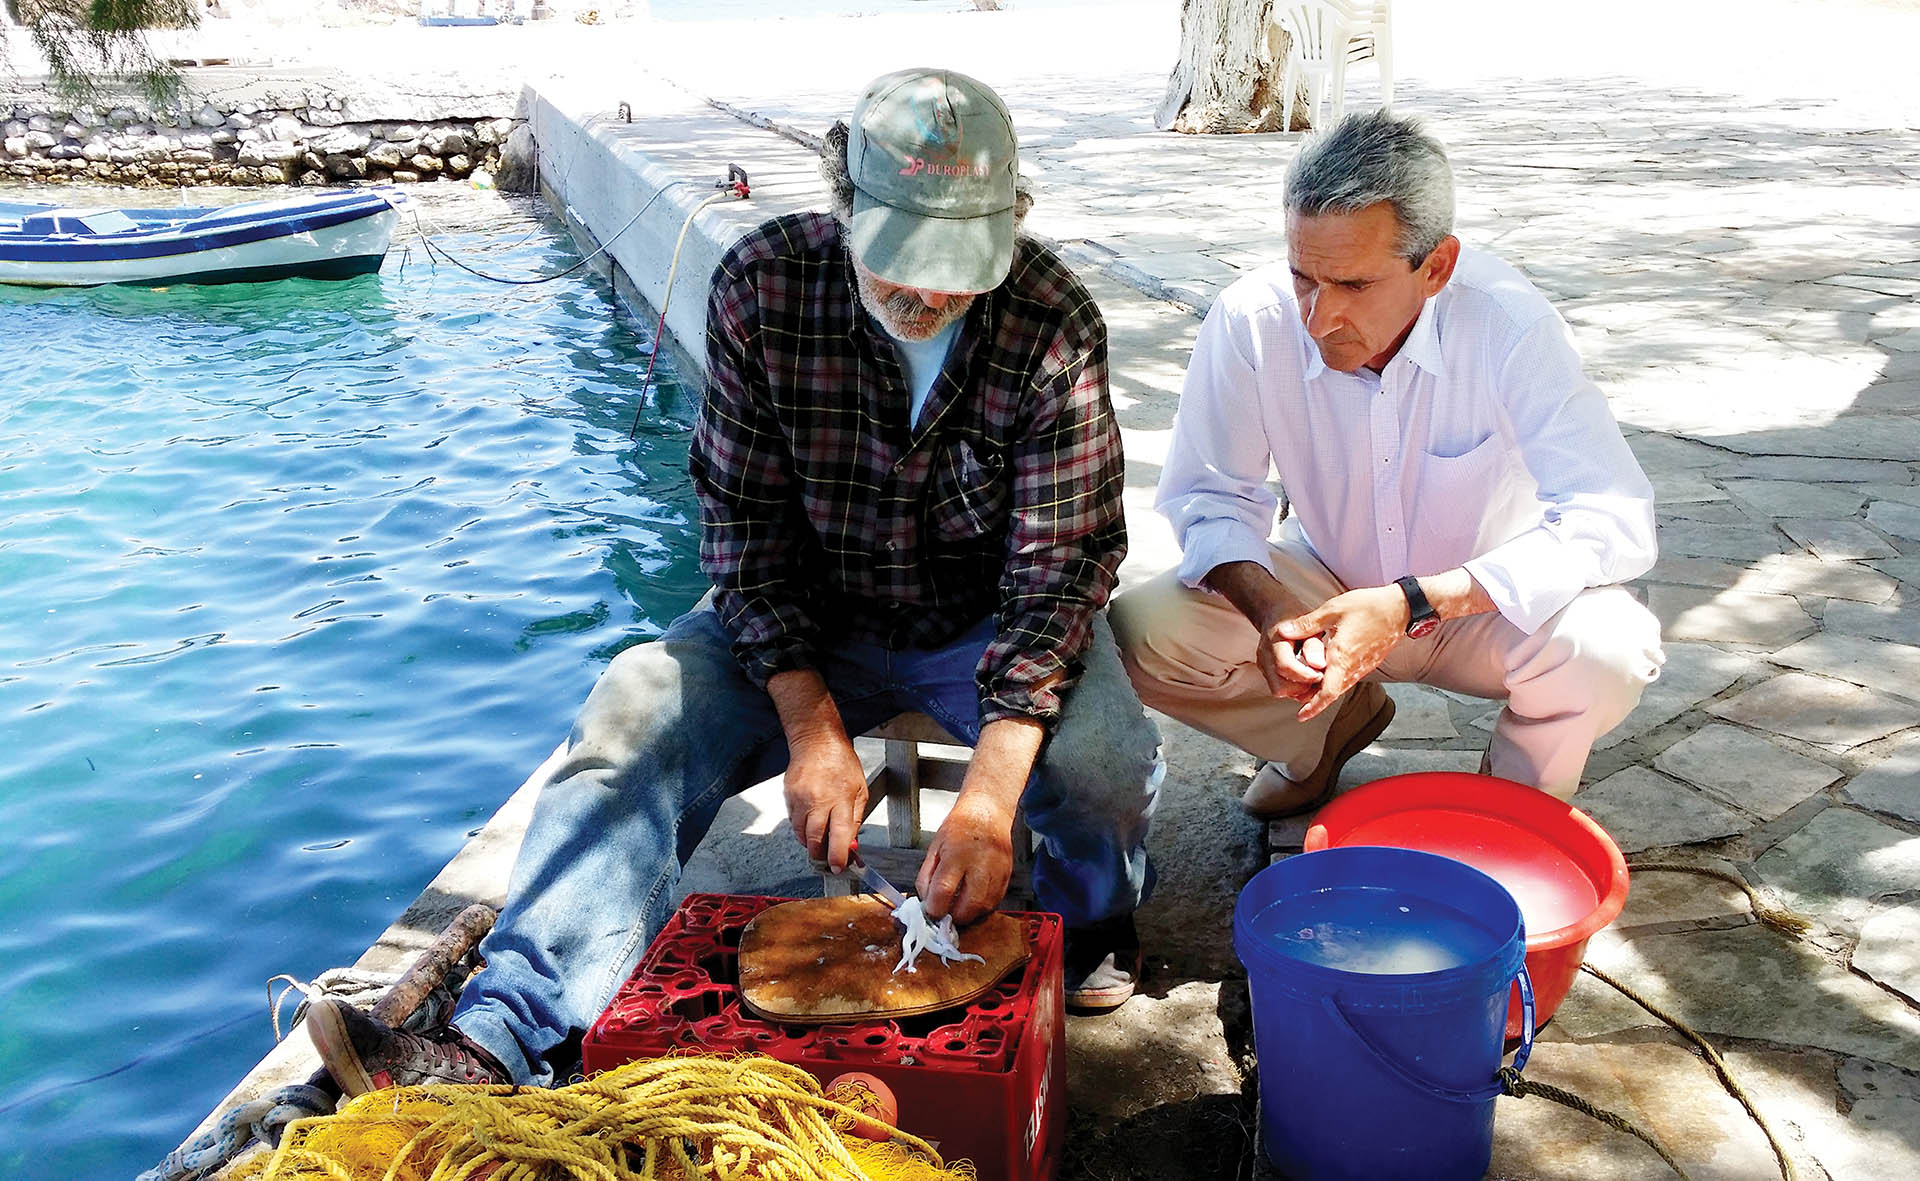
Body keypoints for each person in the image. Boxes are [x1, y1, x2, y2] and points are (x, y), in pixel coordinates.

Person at [304, 67, 1161, 1096]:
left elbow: (1061, 570)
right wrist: (809, 721)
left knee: (1108, 752)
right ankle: (501, 1029)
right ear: (844, 209)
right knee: (632, 711)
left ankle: (1091, 921)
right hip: (808, 612)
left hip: (983, 619)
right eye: (901, 263)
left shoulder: (1053, 320)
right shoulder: (764, 283)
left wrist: (984, 801)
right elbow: (744, 529)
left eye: (955, 268)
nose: (928, 294)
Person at [1111, 110, 1663, 819]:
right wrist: (1272, 610)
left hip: (1485, 604)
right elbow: (1209, 493)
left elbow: (1612, 518)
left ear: (1436, 268)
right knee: (1137, 638)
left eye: (1354, 286)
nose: (1317, 318)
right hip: (1326, 587)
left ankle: (1510, 812)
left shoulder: (1510, 325)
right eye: (1303, 277)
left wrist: (1414, 601)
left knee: (1607, 649)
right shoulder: (1252, 317)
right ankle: (1317, 734)